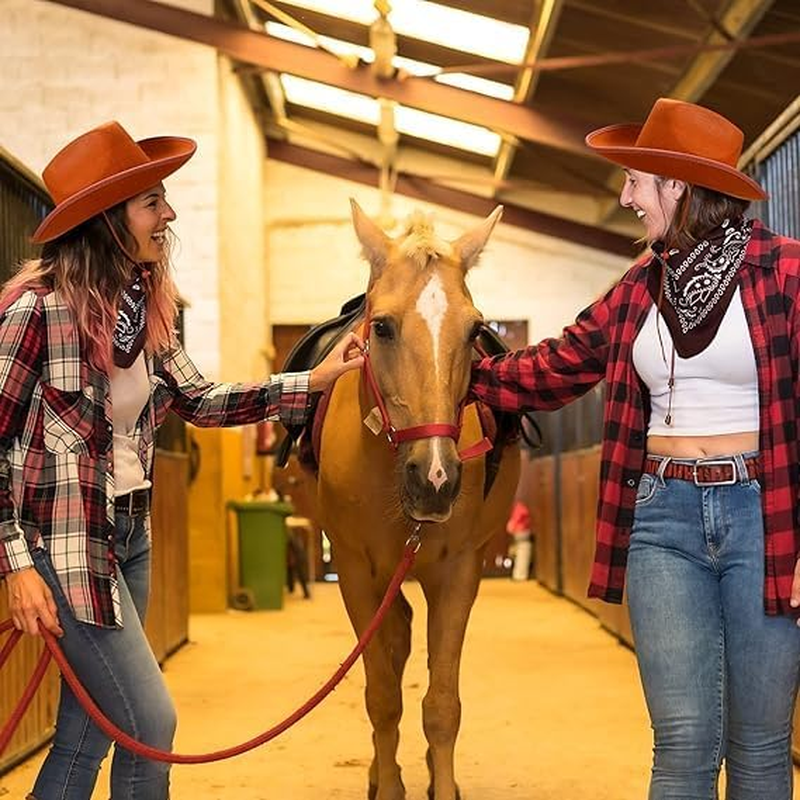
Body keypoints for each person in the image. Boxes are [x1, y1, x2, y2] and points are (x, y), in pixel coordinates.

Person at [0, 120, 364, 800]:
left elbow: (200, 398)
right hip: (68, 546)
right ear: (110, 221)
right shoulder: (35, 311)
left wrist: (314, 383)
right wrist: (17, 566)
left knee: (87, 737)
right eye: (151, 202)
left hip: (130, 535)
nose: (167, 214)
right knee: (152, 723)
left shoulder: (143, 312)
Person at [471, 97, 800, 799]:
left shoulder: (785, 273)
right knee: (681, 741)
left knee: (761, 747)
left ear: (677, 186)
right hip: (662, 518)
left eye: (635, 181)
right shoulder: (636, 292)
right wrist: (457, 375)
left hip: (764, 516)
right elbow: (556, 365)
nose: (625, 197)